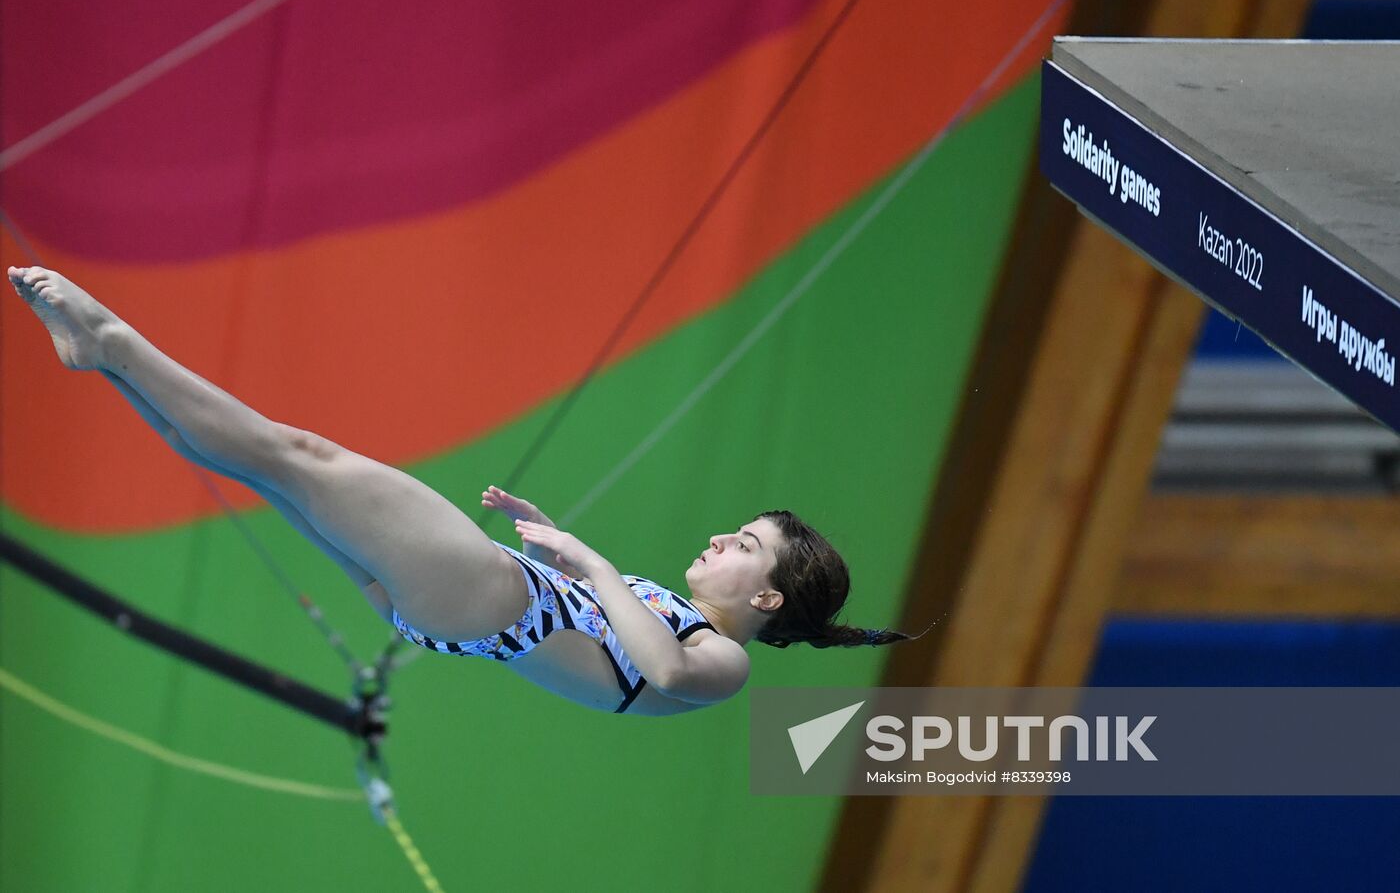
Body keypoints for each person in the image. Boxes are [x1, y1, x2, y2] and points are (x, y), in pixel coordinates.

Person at [8, 265, 918, 717]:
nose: (722, 539)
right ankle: (107, 362)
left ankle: (116, 344)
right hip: (465, 602)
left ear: (766, 597)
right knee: (262, 466)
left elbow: (665, 667)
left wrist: (585, 559)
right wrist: (553, 541)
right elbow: (600, 631)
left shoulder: (725, 661)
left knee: (291, 453)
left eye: (745, 546)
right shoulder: (667, 607)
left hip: (478, 600)